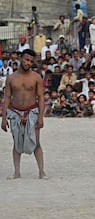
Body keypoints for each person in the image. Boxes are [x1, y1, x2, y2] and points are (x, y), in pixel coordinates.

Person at [1, 49, 47, 180]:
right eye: (26, 60)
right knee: (16, 143)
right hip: (15, 112)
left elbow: (41, 97)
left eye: (31, 61)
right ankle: (17, 172)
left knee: (36, 143)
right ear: (21, 58)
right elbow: (7, 98)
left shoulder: (36, 77)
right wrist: (4, 118)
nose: (28, 63)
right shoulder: (11, 78)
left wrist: (41, 117)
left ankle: (41, 171)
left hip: (32, 111)